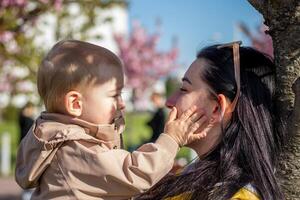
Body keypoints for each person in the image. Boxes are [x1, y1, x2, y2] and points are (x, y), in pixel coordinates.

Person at [15, 40, 209, 200]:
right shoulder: (74, 148)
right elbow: (135, 173)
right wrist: (171, 141)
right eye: (114, 95)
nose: (122, 104)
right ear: (75, 104)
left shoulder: (62, 143)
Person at [137, 42, 284, 200]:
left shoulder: (239, 197)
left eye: (184, 89)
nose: (170, 101)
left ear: (217, 108)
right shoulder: (188, 176)